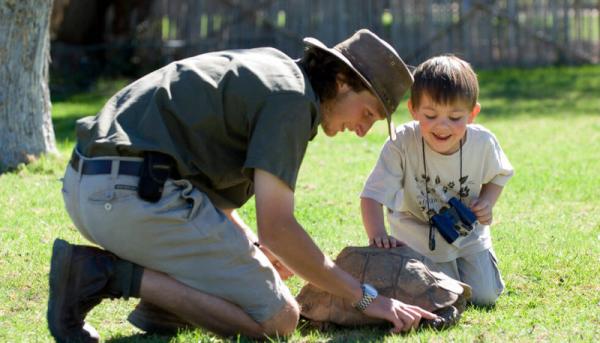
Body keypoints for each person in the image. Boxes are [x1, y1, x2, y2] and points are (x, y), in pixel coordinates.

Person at [47, 29, 438, 342]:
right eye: (367, 112)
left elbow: (214, 198)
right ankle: (101, 274)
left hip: (92, 184)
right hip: (129, 197)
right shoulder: (292, 101)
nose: (362, 129)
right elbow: (279, 227)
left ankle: (163, 307)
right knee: (279, 320)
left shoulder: (274, 70)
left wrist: (254, 248)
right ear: (340, 81)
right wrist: (365, 297)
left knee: (254, 258)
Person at [360, 55, 514, 306]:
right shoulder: (401, 143)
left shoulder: (483, 142)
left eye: (455, 118)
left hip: (468, 231)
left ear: (473, 113)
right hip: (418, 234)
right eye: (430, 115)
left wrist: (487, 202)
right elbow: (371, 195)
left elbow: (500, 174)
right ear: (413, 110)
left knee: (484, 298)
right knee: (445, 297)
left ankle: (479, 266)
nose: (442, 126)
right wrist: (378, 235)